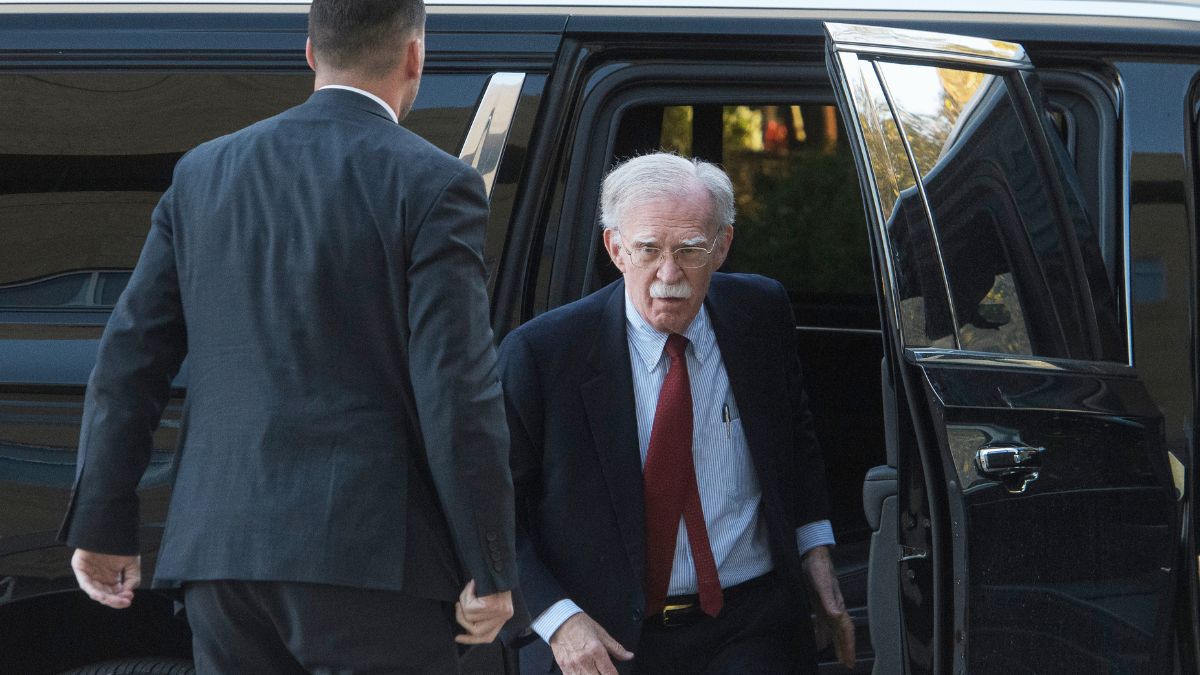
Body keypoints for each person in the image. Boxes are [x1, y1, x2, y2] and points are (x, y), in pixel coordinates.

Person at [57, 1, 517, 671]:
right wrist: (490, 561)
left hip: (221, 556)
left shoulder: (202, 173)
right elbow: (457, 389)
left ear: (309, 52)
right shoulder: (437, 183)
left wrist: (102, 522)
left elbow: (129, 360)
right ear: (415, 56)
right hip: (371, 561)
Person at [499, 153, 856, 675]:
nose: (669, 275)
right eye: (648, 249)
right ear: (616, 249)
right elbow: (490, 510)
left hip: (752, 622)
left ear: (722, 246)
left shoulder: (759, 313)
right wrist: (557, 620)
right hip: (607, 638)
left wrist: (814, 550)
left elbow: (793, 439)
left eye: (690, 250)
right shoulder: (543, 354)